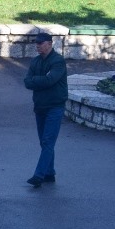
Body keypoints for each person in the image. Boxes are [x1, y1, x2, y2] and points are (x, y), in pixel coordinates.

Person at [23, 32, 68, 188]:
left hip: (55, 107)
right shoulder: (35, 61)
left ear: (50, 44)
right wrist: (39, 80)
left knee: (48, 141)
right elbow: (27, 82)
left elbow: (51, 80)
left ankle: (39, 175)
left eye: (41, 43)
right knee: (44, 141)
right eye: (36, 43)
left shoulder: (58, 61)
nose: (38, 46)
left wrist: (36, 80)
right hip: (40, 106)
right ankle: (50, 173)